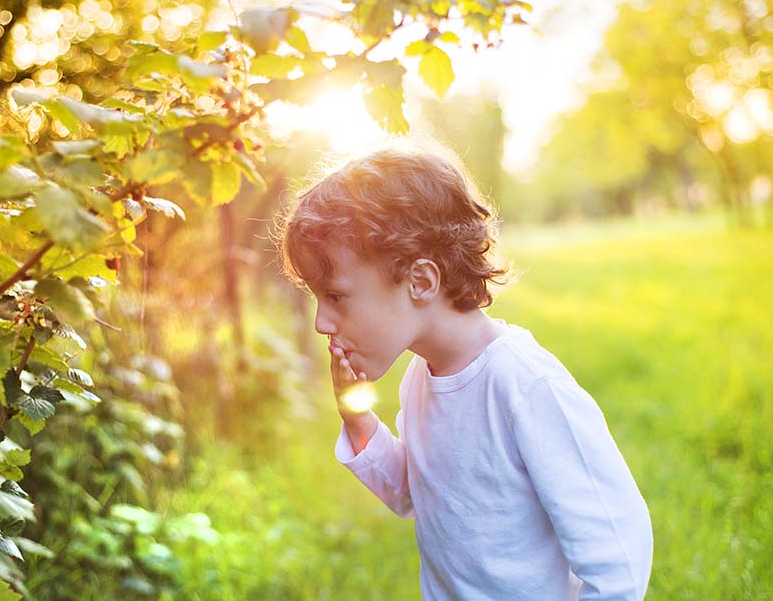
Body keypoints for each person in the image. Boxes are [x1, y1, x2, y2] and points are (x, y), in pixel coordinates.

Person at [277, 143, 653, 600]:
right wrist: (357, 418)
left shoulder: (525, 387)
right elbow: (419, 496)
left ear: (420, 281)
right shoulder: (422, 378)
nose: (321, 322)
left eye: (335, 296)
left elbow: (617, 554)